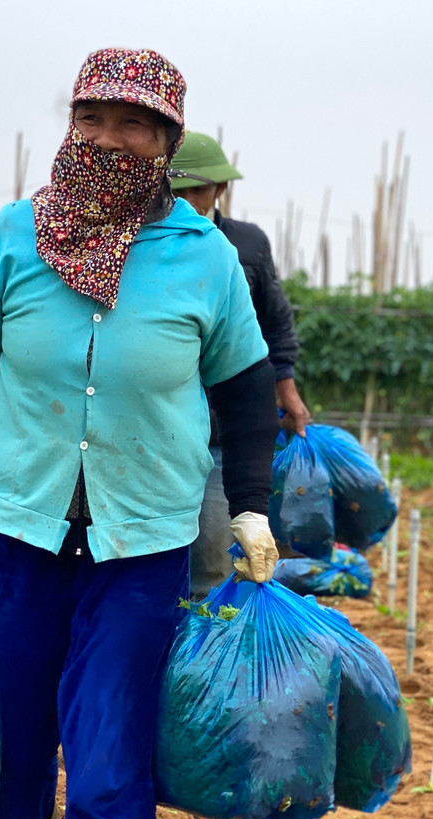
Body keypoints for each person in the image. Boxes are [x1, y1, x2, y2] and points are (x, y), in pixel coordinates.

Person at [0, 48, 280, 819]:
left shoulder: (204, 257)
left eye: (136, 123)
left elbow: (248, 389)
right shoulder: (11, 239)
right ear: (70, 125)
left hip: (141, 541)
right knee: (17, 743)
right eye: (94, 118)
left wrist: (254, 507)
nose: (111, 137)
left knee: (109, 742)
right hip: (19, 536)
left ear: (166, 141)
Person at [169, 132, 313, 597]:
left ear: (219, 191)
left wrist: (286, 387)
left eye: (199, 190)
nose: (189, 201)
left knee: (212, 552)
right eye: (177, 191)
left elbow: (275, 321)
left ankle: (198, 656)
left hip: (219, 428)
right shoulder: (145, 245)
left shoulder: (245, 246)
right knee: (153, 561)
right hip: (158, 426)